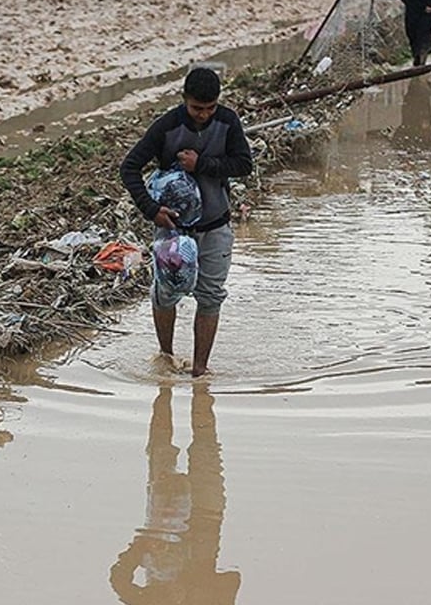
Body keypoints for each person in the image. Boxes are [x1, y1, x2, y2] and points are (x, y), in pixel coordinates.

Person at [119, 67, 253, 377]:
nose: (204, 115)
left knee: (211, 296)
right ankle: (165, 356)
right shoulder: (166, 127)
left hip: (216, 227)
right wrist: (151, 209)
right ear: (184, 101)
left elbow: (244, 164)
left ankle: (199, 369)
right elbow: (130, 168)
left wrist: (201, 164)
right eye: (197, 108)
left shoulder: (228, 121)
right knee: (165, 293)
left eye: (210, 108)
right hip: (173, 231)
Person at [109, 383, 239, 604]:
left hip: (165, 520)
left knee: (161, 446)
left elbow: (118, 578)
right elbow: (233, 580)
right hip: (206, 518)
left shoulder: (155, 591)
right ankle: (185, 386)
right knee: (204, 442)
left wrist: (141, 546)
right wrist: (195, 585)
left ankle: (164, 387)